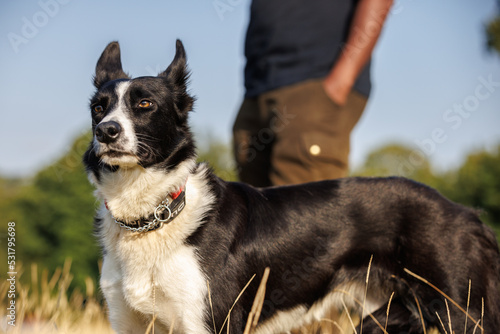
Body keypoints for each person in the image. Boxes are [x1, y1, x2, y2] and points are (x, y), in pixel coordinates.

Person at [233, 0, 393, 187]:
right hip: (258, 87)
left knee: (300, 211)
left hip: (315, 83)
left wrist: (342, 79)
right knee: (256, 210)